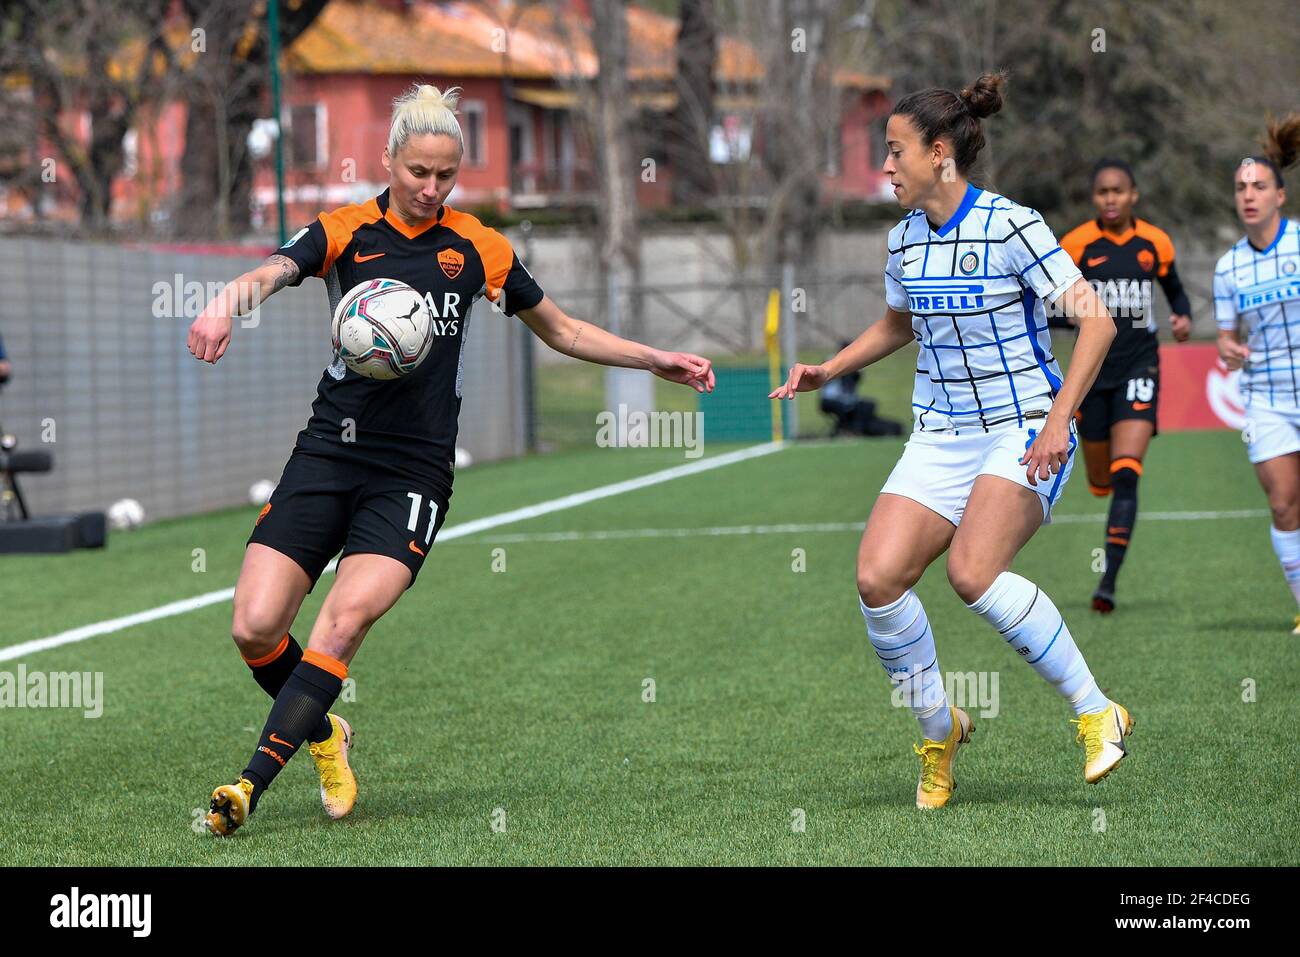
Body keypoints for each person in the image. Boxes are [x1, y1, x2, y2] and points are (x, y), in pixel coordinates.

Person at [187, 85, 715, 836]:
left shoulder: (478, 246)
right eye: (417, 173)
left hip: (413, 475)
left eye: (445, 176)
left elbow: (561, 330)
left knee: (340, 623)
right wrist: (222, 304)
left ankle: (247, 783)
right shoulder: (345, 231)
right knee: (254, 625)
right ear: (388, 160)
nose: (431, 189)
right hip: (327, 455)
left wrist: (652, 357)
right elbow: (271, 270)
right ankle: (325, 731)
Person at [771, 72, 1133, 809]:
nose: (885, 166)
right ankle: (941, 728)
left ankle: (1099, 711)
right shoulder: (903, 238)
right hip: (939, 433)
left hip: (1024, 425)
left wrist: (1061, 419)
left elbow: (1097, 321)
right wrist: (829, 368)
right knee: (876, 579)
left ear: (940, 153)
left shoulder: (1014, 224)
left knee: (973, 572)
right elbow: (899, 325)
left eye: (895, 150)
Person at [1059, 160, 1192, 613]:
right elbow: (1055, 304)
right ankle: (1101, 482)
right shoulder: (1075, 245)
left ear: (1134, 194)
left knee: (1126, 470)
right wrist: (1066, 316)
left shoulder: (1155, 243)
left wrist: (1182, 315)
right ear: (1094, 198)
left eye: (1119, 191)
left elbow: (1174, 289)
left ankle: (1108, 582)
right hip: (1092, 373)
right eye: (1102, 192)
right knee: (1100, 480)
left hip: (1141, 364)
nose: (1111, 199)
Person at [1214, 114, 1300, 634]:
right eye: (1242, 187)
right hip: (1266, 398)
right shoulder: (1229, 268)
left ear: (1280, 196)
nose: (1249, 195)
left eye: (1259, 186)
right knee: (1284, 504)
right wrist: (1229, 351)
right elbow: (1226, 337)